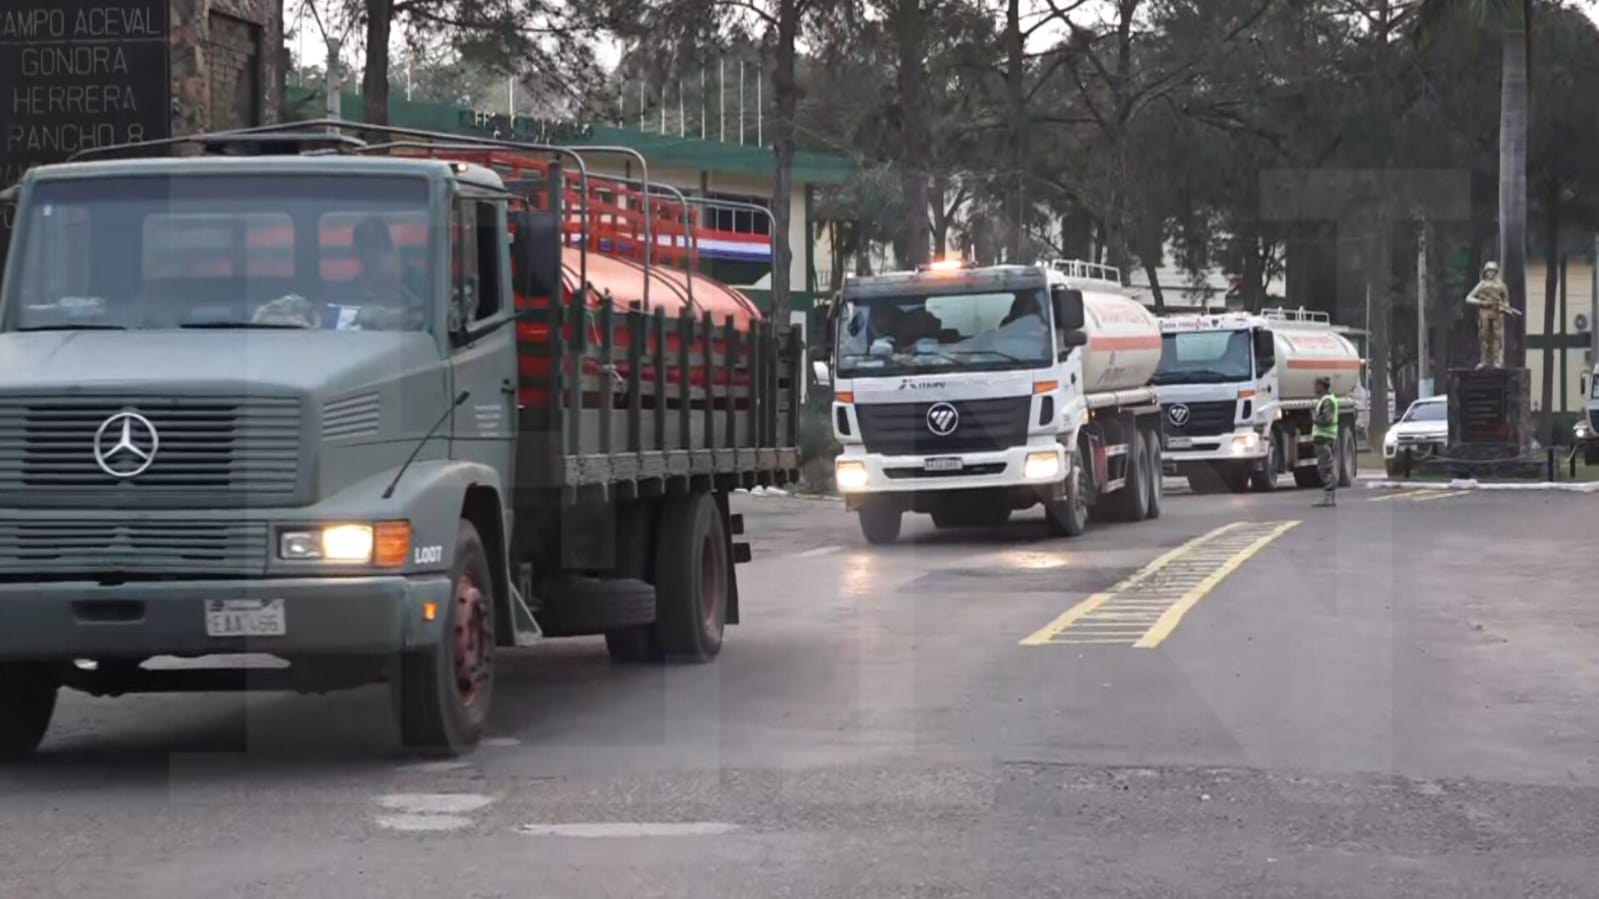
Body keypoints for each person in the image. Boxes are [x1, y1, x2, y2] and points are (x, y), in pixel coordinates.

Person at [1311, 375, 1339, 507]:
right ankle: (1329, 497)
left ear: (1322, 386)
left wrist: (1314, 418)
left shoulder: (1327, 401)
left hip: (1325, 439)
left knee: (1325, 468)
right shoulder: (1326, 400)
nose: (1314, 387)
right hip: (1325, 438)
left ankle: (1329, 497)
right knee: (1326, 467)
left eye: (1316, 384)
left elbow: (1326, 420)